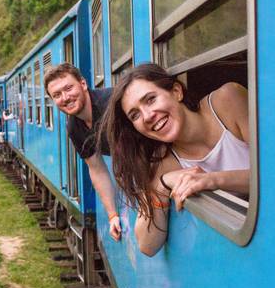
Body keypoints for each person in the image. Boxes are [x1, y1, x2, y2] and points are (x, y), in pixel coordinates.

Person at [98, 63, 249, 256]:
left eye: (151, 99)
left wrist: (212, 180)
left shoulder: (227, 100)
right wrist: (161, 187)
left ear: (176, 91)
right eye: (135, 115)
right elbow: (147, 245)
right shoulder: (164, 161)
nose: (147, 116)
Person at [44, 63, 122, 241]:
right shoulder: (74, 127)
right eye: (57, 95)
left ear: (84, 84)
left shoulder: (111, 104)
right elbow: (96, 169)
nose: (65, 97)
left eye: (69, 88)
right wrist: (112, 215)